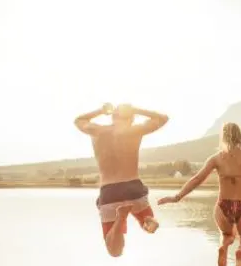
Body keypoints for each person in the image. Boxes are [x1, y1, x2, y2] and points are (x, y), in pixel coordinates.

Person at [157, 122, 241, 266]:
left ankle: (224, 247)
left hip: (223, 205)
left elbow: (197, 179)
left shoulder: (216, 159)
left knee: (226, 235)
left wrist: (177, 197)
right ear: (240, 136)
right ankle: (240, 253)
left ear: (223, 137)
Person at [73, 102, 170, 258]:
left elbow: (78, 120)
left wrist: (100, 110)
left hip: (109, 192)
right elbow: (163, 118)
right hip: (134, 188)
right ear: (131, 118)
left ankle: (120, 218)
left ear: (112, 116)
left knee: (114, 251)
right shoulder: (135, 130)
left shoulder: (97, 131)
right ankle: (148, 222)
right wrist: (137, 109)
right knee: (146, 221)